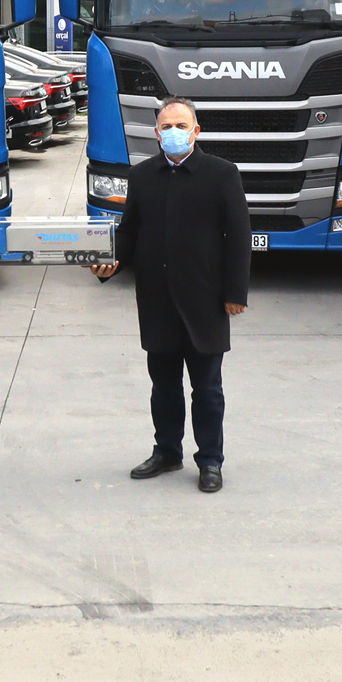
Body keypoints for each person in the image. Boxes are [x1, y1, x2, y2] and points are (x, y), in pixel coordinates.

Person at [91, 96, 250, 493]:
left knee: (207, 389)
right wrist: (109, 261)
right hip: (157, 299)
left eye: (182, 126)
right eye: (167, 127)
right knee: (163, 387)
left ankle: (210, 460)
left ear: (196, 131)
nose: (174, 132)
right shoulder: (143, 175)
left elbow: (238, 236)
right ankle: (166, 452)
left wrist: (235, 292)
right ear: (156, 133)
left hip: (205, 299)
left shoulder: (222, 174)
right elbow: (129, 231)